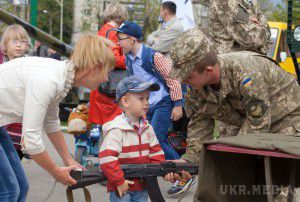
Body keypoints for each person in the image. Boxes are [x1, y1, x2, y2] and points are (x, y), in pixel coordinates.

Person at [165, 28, 300, 183]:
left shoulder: (246, 74)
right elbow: (200, 126)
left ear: (208, 70)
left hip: (287, 120)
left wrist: (231, 161)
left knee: (275, 185)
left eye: (187, 76)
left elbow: (257, 127)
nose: (183, 81)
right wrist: (189, 161)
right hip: (246, 123)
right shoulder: (196, 88)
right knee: (227, 180)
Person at [0, 33, 115, 202]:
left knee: (21, 187)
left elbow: (51, 122)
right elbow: (31, 140)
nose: (106, 78)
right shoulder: (50, 79)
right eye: (107, 72)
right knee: (9, 191)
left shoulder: (61, 76)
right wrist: (55, 171)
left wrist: (68, 159)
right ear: (95, 67)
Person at [115, 21, 184, 160]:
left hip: (162, 103)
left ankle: (183, 172)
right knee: (149, 141)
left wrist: (178, 105)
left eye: (121, 39)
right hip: (149, 106)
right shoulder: (129, 60)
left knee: (158, 139)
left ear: (132, 39)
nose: (118, 43)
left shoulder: (153, 56)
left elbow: (173, 78)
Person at [208, 0, 272, 139]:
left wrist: (258, 27)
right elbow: (252, 39)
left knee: (259, 123)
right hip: (231, 74)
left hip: (250, 69)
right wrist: (259, 26)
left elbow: (268, 33)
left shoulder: (250, 1)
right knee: (234, 134)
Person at [99, 75, 165, 202]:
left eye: (147, 98)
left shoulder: (147, 128)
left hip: (143, 185)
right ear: (125, 102)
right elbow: (107, 158)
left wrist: (163, 171)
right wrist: (119, 181)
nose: (146, 102)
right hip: (122, 185)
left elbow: (156, 154)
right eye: (141, 98)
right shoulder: (117, 129)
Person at [88, 1, 128, 136]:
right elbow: (115, 59)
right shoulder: (114, 33)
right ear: (121, 15)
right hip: (111, 84)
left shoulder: (102, 30)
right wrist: (129, 61)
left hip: (100, 82)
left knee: (103, 125)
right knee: (112, 125)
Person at [0, 24, 32, 161]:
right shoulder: (2, 68)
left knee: (14, 161)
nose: (18, 45)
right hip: (4, 123)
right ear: (5, 46)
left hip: (20, 126)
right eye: (14, 41)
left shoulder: (29, 67)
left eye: (22, 41)